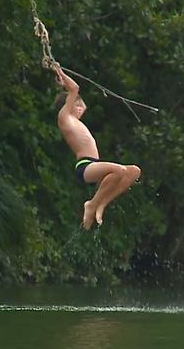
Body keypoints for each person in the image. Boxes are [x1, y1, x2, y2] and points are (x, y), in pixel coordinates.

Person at [53, 64, 141, 229]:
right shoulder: (64, 118)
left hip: (95, 166)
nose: (81, 108)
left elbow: (82, 103)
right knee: (120, 170)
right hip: (85, 166)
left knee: (134, 171)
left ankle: (101, 204)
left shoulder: (76, 121)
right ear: (67, 105)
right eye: (76, 105)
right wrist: (60, 73)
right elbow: (75, 89)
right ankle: (92, 204)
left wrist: (64, 84)